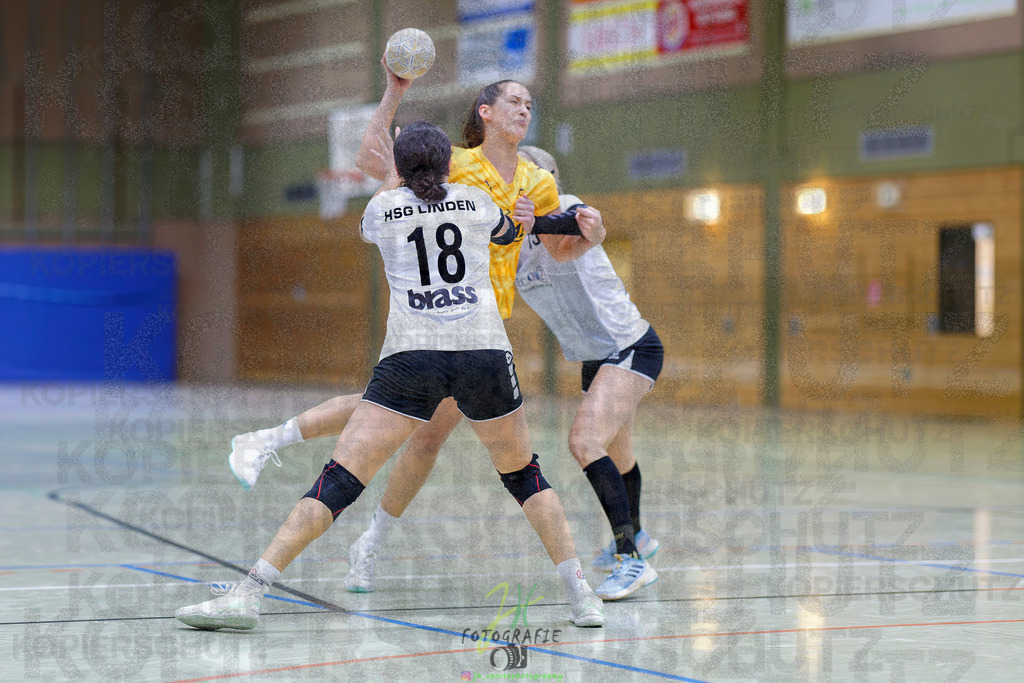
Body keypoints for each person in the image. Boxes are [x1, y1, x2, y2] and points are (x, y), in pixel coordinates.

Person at [175, 121, 604, 630]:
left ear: (400, 167)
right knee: (525, 476)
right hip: (481, 352)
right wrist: (526, 219)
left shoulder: (382, 210)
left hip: (411, 359)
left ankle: (249, 594)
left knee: (338, 481)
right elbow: (513, 232)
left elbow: (389, 196)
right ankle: (582, 598)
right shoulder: (475, 201)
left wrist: (396, 161)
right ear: (449, 164)